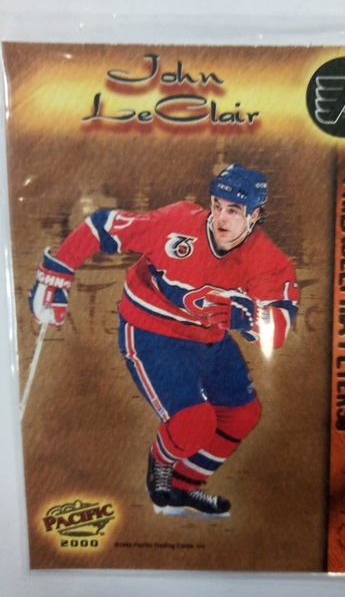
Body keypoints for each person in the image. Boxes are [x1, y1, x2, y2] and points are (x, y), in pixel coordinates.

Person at [29, 164, 299, 518]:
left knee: (242, 415)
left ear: (255, 215)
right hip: (152, 332)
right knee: (195, 424)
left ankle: (182, 488)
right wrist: (58, 272)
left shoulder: (268, 260)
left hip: (207, 338)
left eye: (233, 210)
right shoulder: (177, 222)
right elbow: (102, 225)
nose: (220, 217)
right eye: (217, 205)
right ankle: (161, 463)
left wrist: (248, 315)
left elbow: (279, 326)